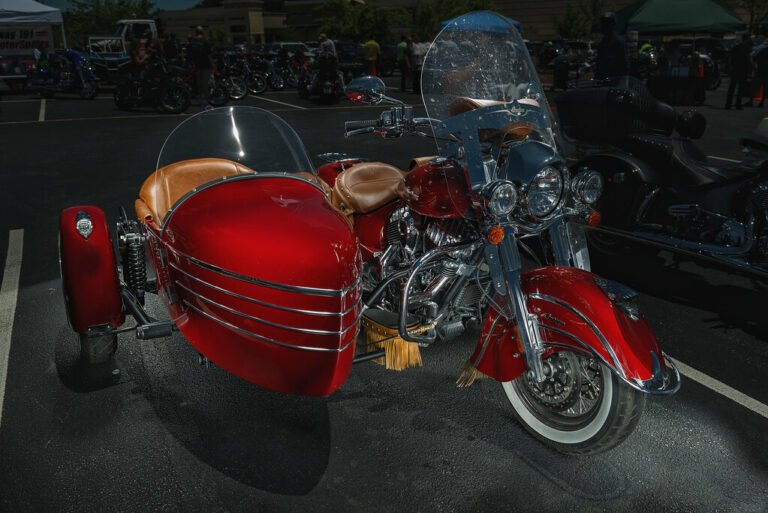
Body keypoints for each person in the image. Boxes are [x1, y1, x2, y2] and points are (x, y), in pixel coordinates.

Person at [594, 11, 628, 80]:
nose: (604, 26)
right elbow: (599, 63)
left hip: (615, 81)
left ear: (612, 25)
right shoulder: (602, 43)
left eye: (607, 24)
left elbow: (624, 65)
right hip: (602, 81)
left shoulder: (619, 42)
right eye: (603, 23)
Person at [187, 25, 214, 103]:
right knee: (205, 83)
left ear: (195, 32)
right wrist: (213, 65)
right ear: (202, 32)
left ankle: (201, 99)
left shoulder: (193, 42)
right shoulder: (205, 41)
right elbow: (209, 55)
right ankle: (208, 100)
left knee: (200, 84)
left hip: (197, 65)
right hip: (206, 65)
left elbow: (189, 54)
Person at [725, 33, 753, 110]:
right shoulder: (747, 48)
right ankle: (738, 104)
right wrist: (749, 72)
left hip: (735, 69)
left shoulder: (736, 47)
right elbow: (748, 61)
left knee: (732, 88)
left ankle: (728, 104)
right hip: (742, 70)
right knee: (740, 89)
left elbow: (731, 58)